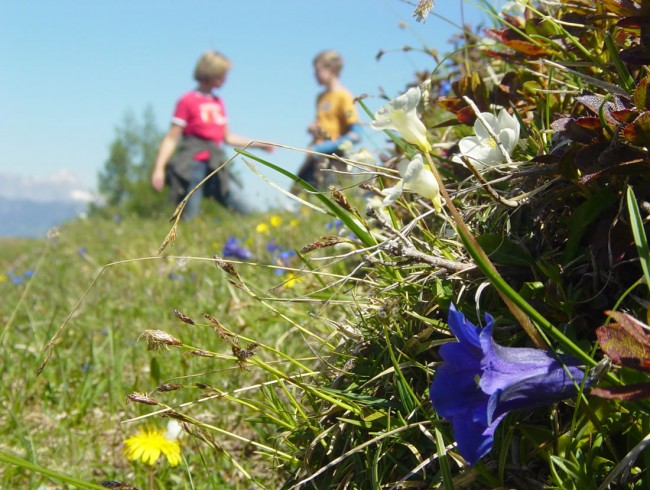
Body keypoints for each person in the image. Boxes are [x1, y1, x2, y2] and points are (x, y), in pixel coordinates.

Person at [151, 50, 273, 218]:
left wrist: (259, 145)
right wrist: (159, 168)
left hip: (215, 163)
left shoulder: (218, 102)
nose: (225, 78)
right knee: (188, 215)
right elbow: (172, 138)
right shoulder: (187, 100)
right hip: (192, 164)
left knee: (246, 209)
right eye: (222, 74)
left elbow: (228, 138)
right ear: (211, 72)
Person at [293, 50, 361, 192]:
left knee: (333, 195)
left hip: (335, 158)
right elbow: (324, 122)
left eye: (318, 70)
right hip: (315, 159)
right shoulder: (321, 97)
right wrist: (313, 128)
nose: (314, 74)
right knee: (299, 192)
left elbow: (356, 134)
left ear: (332, 69)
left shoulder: (345, 97)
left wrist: (321, 149)